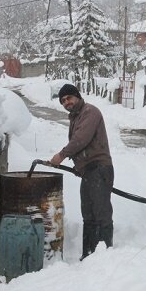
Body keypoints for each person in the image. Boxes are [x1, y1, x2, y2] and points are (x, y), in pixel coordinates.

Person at [50, 84, 114, 260]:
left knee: (101, 214)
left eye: (69, 98)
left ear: (77, 96)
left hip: (100, 169)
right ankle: (88, 255)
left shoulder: (89, 112)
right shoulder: (76, 116)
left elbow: (81, 139)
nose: (66, 102)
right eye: (63, 101)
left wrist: (61, 155)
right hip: (89, 172)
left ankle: (105, 257)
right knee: (88, 214)